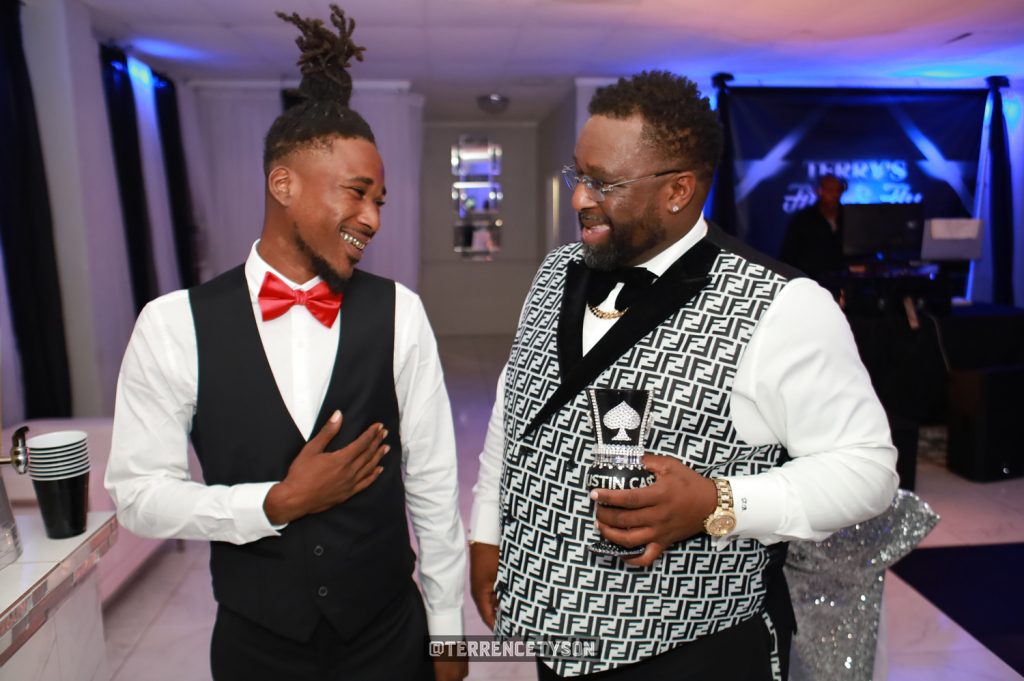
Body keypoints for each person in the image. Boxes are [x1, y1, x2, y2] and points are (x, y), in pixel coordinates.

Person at [469, 71, 897, 680]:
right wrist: (488, 531)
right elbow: (514, 412)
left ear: (678, 190)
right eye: (577, 175)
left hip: (690, 650)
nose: (579, 198)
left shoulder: (782, 305)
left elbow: (867, 469)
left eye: (603, 183)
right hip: (555, 640)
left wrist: (719, 503)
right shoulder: (555, 271)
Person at [104, 7, 467, 681]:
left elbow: (434, 485)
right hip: (257, 646)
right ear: (283, 184)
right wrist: (275, 502)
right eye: (357, 194)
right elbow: (137, 494)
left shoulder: (400, 313)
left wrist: (446, 633)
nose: (372, 218)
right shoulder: (172, 323)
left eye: (381, 201)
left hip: (387, 633)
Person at [779, 174, 847, 286]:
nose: (834, 195)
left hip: (845, 281)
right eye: (830, 190)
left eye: (838, 190)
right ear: (819, 191)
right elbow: (788, 255)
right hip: (811, 282)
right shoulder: (803, 220)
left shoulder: (849, 217)